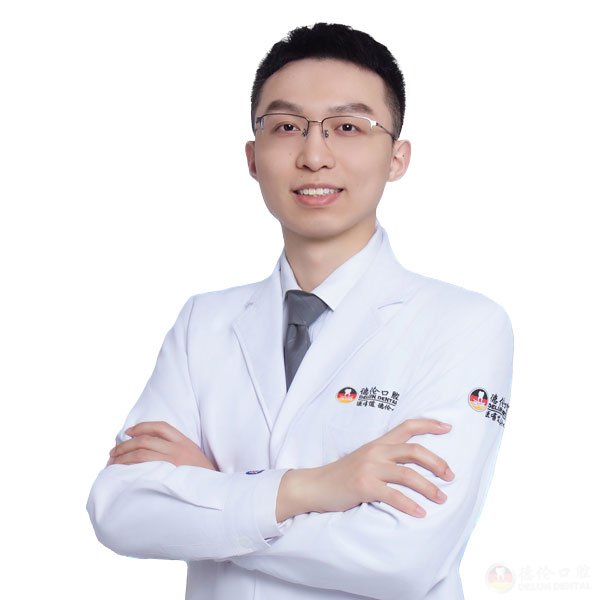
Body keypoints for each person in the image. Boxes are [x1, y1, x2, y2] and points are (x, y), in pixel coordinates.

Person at [86, 22, 514, 600]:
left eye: (348, 127)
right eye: (287, 126)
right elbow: (120, 510)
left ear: (397, 157)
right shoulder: (202, 324)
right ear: (252, 157)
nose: (314, 156)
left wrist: (213, 491)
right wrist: (310, 488)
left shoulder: (464, 325)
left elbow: (403, 558)